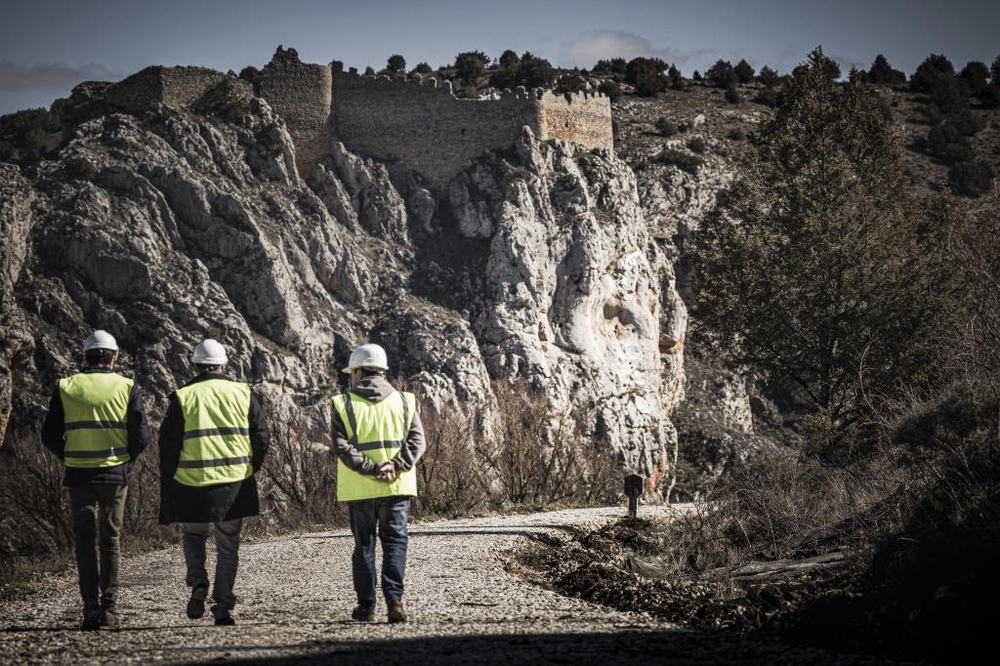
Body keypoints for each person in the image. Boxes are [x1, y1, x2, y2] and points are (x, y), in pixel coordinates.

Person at [40, 329, 151, 631]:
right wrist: (124, 457)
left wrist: (70, 455)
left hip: (79, 475)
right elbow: (142, 436)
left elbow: (49, 434)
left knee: (85, 543)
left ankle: (90, 610)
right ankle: (110, 608)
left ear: (85, 357)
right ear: (113, 357)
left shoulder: (66, 386)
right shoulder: (127, 386)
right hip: (115, 475)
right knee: (110, 539)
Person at [158, 338, 270, 626]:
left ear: (195, 365)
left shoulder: (183, 396)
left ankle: (198, 582)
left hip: (192, 484)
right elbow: (262, 436)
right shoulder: (242, 392)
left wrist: (169, 483)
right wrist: (249, 469)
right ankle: (222, 607)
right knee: (228, 545)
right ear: (224, 364)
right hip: (234, 485)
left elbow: (168, 446)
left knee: (194, 535)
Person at [331, 343, 426, 624]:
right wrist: (394, 466)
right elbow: (418, 442)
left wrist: (371, 469)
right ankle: (395, 601)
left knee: (364, 546)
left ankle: (367, 606)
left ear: (358, 372)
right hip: (396, 486)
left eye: (352, 372)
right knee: (396, 542)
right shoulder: (406, 401)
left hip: (360, 488)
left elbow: (341, 445)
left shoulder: (343, 403)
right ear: (383, 371)